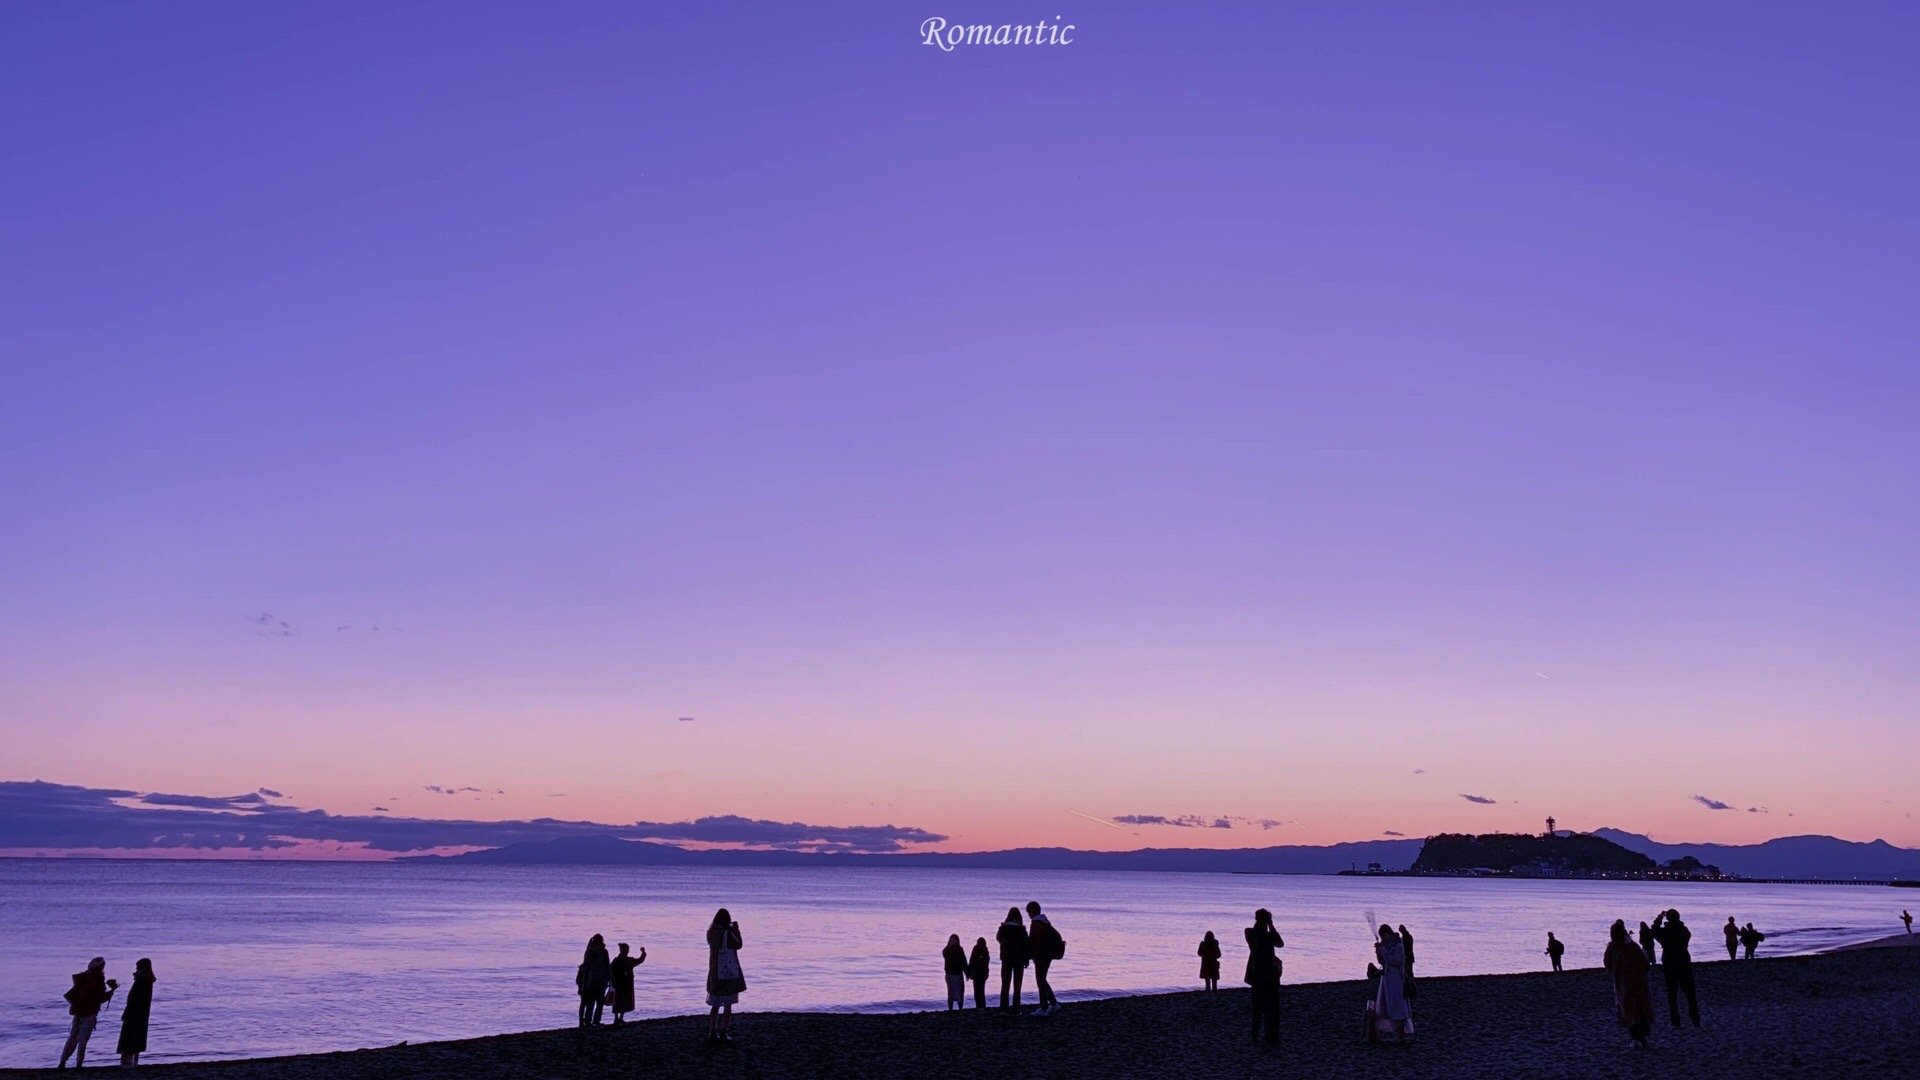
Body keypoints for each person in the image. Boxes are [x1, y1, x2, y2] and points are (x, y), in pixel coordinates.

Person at [58, 957, 116, 1069]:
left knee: (72, 1038)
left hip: (78, 1012)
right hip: (89, 1013)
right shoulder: (98, 980)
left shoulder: (82, 977)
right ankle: (79, 1064)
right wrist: (112, 990)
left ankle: (62, 1062)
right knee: (83, 1041)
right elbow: (99, 998)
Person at [1603, 920, 1654, 1048]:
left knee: (1628, 1009)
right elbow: (1645, 963)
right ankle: (1641, 1037)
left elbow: (1607, 964)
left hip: (1623, 983)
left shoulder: (1613, 948)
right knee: (1640, 1008)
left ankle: (1636, 1038)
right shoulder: (1633, 946)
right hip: (1638, 981)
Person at [1650, 909, 1700, 1028]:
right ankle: (1695, 1020)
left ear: (1668, 919)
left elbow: (1654, 931)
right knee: (1690, 994)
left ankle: (1675, 1022)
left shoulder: (1666, 932)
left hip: (1670, 964)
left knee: (1672, 996)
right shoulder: (1684, 931)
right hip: (1684, 963)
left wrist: (1660, 917)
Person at [705, 909, 746, 1044]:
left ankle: (712, 1031)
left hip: (714, 972)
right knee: (728, 1005)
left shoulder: (711, 933)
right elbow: (739, 945)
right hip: (728, 973)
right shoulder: (727, 934)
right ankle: (723, 1032)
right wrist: (736, 930)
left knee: (715, 1005)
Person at [1243, 910, 1284, 1044]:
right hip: (1267, 975)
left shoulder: (1251, 933)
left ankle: (1257, 1035)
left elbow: (1279, 943)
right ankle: (1268, 1035)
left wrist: (1269, 926)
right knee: (1270, 1007)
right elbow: (1280, 943)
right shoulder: (1262, 935)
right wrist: (1271, 926)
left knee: (1258, 1008)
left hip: (1258, 974)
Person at [1369, 924, 1411, 1044]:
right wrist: (1378, 951)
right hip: (1388, 979)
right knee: (1391, 1006)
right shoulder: (1388, 945)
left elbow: (1395, 960)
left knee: (1398, 1006)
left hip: (1396, 980)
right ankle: (1399, 1035)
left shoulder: (1398, 945)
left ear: (1388, 934)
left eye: (1384, 936)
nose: (1383, 939)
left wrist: (1383, 950)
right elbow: (1382, 961)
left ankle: (1401, 1036)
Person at [116, 958, 156, 1067]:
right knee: (137, 1037)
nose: (136, 969)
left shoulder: (142, 981)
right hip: (141, 1014)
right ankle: (134, 1061)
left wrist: (127, 1012)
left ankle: (128, 1061)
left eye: (138, 967)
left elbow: (134, 999)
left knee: (128, 1037)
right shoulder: (147, 980)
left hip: (134, 1013)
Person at [1026, 901, 1063, 1015]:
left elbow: (1033, 942)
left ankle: (1044, 1007)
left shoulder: (1036, 924)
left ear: (1031, 912)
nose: (1028, 915)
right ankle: (1053, 1003)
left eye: (1028, 912)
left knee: (1040, 980)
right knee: (1042, 979)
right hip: (1048, 954)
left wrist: (1030, 955)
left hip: (1041, 956)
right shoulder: (1045, 922)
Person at [996, 907, 1029, 1010]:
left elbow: (998, 938)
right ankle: (1016, 1009)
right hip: (1019, 959)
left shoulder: (1003, 928)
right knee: (1017, 987)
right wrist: (1026, 960)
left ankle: (1003, 1008)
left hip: (1006, 958)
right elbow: (1025, 946)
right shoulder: (1021, 930)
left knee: (1005, 985)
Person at [576, 934, 611, 1028]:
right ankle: (596, 1020)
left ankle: (587, 1021)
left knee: (590, 1002)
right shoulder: (604, 951)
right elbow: (608, 966)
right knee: (599, 1002)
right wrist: (610, 979)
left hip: (591, 980)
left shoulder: (590, 951)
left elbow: (586, 967)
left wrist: (584, 982)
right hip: (602, 980)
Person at [609, 942, 646, 1025]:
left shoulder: (627, 960)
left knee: (623, 1000)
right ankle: (616, 1018)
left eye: (627, 950)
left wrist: (643, 953)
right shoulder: (618, 960)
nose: (627, 951)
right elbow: (610, 971)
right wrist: (611, 981)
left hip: (625, 984)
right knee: (618, 1001)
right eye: (625, 950)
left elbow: (639, 960)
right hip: (619, 983)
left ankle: (619, 1018)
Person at [943, 934, 968, 1011]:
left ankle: (960, 1008)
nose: (953, 942)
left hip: (958, 974)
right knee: (950, 992)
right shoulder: (947, 950)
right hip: (950, 974)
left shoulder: (960, 950)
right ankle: (950, 1009)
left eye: (955, 940)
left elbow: (964, 962)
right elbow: (944, 954)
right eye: (952, 940)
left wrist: (967, 972)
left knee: (960, 992)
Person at [967, 937, 991, 1009]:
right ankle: (981, 1006)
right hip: (980, 974)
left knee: (978, 991)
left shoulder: (979, 949)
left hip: (979, 973)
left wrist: (969, 972)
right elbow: (972, 961)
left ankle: (979, 1006)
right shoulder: (984, 950)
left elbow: (971, 961)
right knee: (980, 991)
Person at [1397, 924, 1416, 998]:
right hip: (1409, 957)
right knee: (1409, 972)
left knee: (1408, 972)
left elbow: (1406, 948)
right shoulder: (1408, 937)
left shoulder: (1406, 938)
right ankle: (1411, 986)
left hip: (1407, 957)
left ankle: (1411, 987)